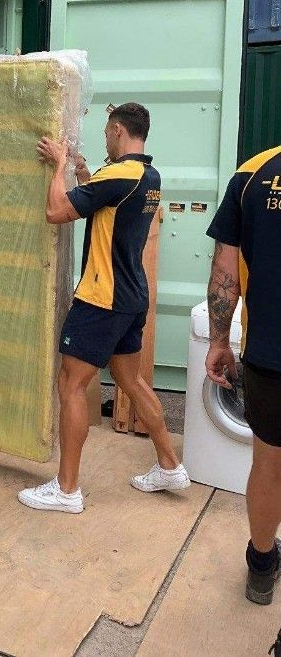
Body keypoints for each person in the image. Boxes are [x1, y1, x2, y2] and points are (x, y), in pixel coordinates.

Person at [19, 102, 189, 513]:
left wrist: (58, 165)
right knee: (131, 382)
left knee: (71, 384)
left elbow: (56, 212)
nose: (104, 140)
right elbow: (108, 204)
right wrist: (82, 174)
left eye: (105, 133)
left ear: (116, 130)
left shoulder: (118, 175)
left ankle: (66, 489)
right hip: (131, 297)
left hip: (101, 298)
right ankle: (169, 464)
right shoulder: (148, 176)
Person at [204, 144, 281, 605]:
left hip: (269, 355)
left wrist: (218, 340)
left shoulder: (254, 173)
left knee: (268, 466)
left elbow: (225, 270)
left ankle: (261, 566)